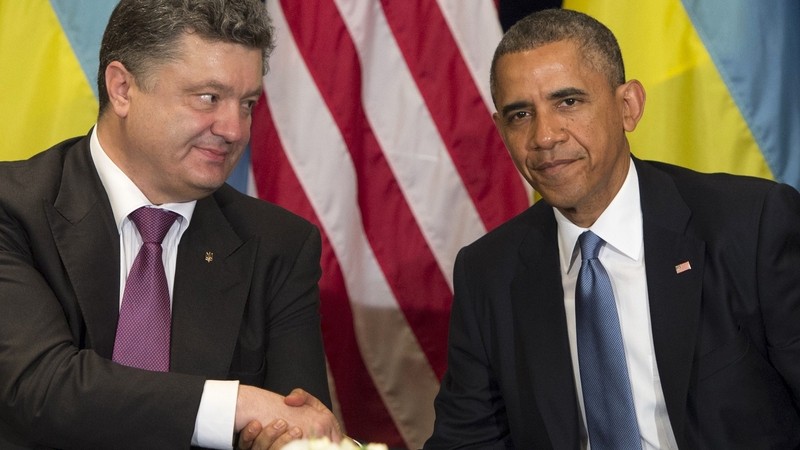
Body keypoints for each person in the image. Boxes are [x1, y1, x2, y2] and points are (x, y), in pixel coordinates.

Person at [426, 8, 800, 450]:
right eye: (520, 114)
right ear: (501, 130)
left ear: (628, 106)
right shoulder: (488, 271)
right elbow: (466, 443)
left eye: (568, 102)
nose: (545, 136)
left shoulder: (750, 224)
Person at [0, 0, 343, 448]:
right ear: (122, 89)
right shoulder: (13, 206)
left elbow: (302, 424)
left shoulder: (281, 245)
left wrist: (285, 435)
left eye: (248, 103)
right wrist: (238, 405)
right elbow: (41, 385)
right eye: (209, 98)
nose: (235, 129)